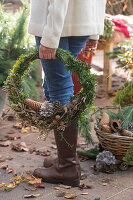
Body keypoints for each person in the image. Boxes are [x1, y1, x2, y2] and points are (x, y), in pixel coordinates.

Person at [28, 0, 107, 187]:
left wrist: (50, 37)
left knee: (59, 90)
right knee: (57, 86)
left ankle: (67, 166)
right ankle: (66, 159)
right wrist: (94, 28)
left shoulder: (53, 31)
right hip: (78, 21)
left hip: (57, 26)